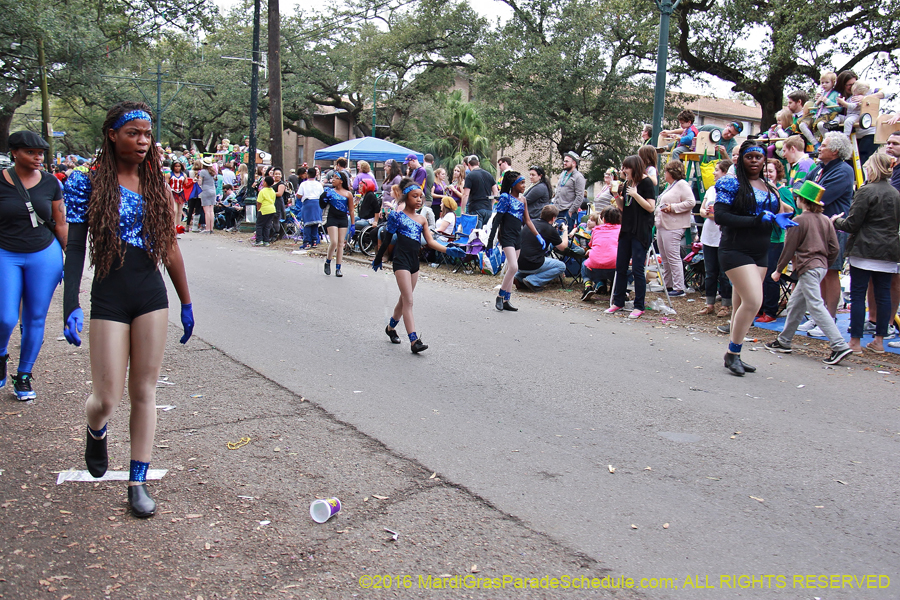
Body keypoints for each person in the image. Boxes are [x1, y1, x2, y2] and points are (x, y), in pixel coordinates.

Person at [62, 101, 193, 518]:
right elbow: (76, 246)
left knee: (144, 391)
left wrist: (186, 302)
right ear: (113, 135)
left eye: (147, 134)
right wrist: (70, 304)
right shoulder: (87, 182)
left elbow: (169, 248)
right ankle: (95, 428)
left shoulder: (156, 185)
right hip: (109, 295)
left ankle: (138, 481)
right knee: (106, 397)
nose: (141, 141)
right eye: (133, 133)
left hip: (150, 295)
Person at [714, 140, 796, 376]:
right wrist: (756, 220)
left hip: (761, 250)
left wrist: (783, 216)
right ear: (741, 159)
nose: (754, 161)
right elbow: (720, 216)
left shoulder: (769, 186)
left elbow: (782, 210)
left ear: (764, 160)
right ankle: (733, 353)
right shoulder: (730, 182)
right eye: (749, 156)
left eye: (758, 157)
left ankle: (735, 353)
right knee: (753, 302)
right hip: (735, 249)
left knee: (742, 303)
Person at [0, 131, 67, 401]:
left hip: (44, 254)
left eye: (41, 153)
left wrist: (69, 257)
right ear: (14, 153)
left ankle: (24, 375)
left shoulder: (51, 182)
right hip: (6, 253)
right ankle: (1, 354)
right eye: (31, 152)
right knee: (5, 317)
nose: (38, 157)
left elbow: (60, 221)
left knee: (35, 319)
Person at [372, 178, 465, 353]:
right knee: (409, 300)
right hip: (400, 261)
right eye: (415, 196)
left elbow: (430, 242)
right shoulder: (397, 216)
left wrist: (448, 249)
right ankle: (414, 341)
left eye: (420, 197)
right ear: (406, 197)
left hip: (414, 263)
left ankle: (391, 328)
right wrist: (379, 257)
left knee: (404, 299)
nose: (419, 200)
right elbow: (386, 240)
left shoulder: (422, 220)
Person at [765, 182, 853, 365]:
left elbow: (789, 248)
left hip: (807, 267)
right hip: (820, 267)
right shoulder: (825, 220)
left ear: (801, 200)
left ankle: (839, 345)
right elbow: (834, 247)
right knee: (796, 304)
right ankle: (784, 340)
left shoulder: (798, 221)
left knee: (815, 305)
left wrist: (778, 270)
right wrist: (825, 263)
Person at [832, 154, 900, 354]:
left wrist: (835, 221)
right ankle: (879, 341)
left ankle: (855, 341)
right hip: (889, 250)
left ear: (873, 168)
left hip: (864, 249)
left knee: (858, 294)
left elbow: (852, 224)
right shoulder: (896, 193)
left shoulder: (866, 190)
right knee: (883, 295)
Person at [806, 132, 855, 336]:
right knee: (818, 273)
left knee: (831, 272)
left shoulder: (844, 171)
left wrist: (806, 190)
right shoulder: (819, 168)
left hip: (834, 228)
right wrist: (805, 189)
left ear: (835, 151)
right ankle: (818, 317)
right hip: (817, 226)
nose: (819, 147)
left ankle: (830, 318)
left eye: (823, 145)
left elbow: (818, 195)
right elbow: (801, 185)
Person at [485, 171, 543, 312]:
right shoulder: (505, 198)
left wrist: (538, 235)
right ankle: (500, 296)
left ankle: (507, 299)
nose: (524, 185)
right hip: (506, 236)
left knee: (512, 270)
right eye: (521, 183)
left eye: (524, 183)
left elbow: (527, 220)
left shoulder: (523, 200)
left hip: (518, 236)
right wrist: (490, 242)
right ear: (513, 185)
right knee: (513, 267)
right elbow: (497, 221)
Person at [607, 155, 656, 319]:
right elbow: (623, 207)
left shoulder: (646, 183)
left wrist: (636, 195)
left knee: (637, 269)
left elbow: (650, 207)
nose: (623, 171)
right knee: (620, 266)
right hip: (626, 229)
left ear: (634, 167)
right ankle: (618, 301)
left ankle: (639, 305)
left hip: (640, 230)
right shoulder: (627, 184)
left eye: (626, 168)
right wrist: (616, 196)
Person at [757, 158, 796, 323]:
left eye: (770, 171)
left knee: (770, 275)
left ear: (777, 173)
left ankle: (770, 311)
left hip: (775, 239)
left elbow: (792, 211)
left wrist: (776, 196)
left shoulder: (783, 190)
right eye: (765, 171)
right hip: (759, 236)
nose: (767, 174)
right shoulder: (757, 189)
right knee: (758, 276)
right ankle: (759, 308)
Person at [697, 159, 733, 317]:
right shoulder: (711, 189)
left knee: (724, 273)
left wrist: (717, 215)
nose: (713, 173)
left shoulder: (731, 190)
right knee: (710, 271)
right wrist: (704, 212)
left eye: (717, 170)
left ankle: (726, 304)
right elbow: (702, 208)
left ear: (725, 172)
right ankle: (709, 303)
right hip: (708, 235)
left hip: (722, 236)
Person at [654, 159, 696, 297]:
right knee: (665, 256)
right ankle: (668, 284)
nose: (664, 174)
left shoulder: (682, 185)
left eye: (665, 171)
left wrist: (672, 208)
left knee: (673, 256)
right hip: (663, 225)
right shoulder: (670, 185)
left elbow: (691, 202)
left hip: (674, 225)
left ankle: (679, 287)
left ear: (672, 172)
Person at [515, 205, 569, 291]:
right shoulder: (549, 229)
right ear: (553, 218)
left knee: (532, 257)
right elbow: (563, 247)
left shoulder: (530, 223)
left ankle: (518, 277)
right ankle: (533, 281)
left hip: (518, 263)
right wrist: (565, 231)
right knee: (561, 266)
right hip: (533, 263)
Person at [581, 206, 620, 300]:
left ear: (603, 218)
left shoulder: (596, 230)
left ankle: (588, 286)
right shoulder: (621, 230)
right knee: (629, 268)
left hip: (594, 269)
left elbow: (592, 244)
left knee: (584, 264)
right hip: (614, 269)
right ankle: (620, 289)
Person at [322, 170, 354, 277]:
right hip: (332, 218)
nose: (333, 180)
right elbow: (322, 204)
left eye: (335, 178)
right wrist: (323, 197)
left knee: (341, 244)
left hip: (343, 219)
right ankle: (328, 261)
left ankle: (338, 267)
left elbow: (351, 210)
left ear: (341, 181)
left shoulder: (348, 194)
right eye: (332, 178)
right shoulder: (330, 191)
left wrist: (353, 224)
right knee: (334, 242)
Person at [459, 155, 498, 229]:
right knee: (485, 234)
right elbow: (495, 192)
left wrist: (462, 210)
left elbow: (465, 195)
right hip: (488, 209)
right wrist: (491, 205)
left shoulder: (470, 176)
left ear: (469, 164)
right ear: (478, 163)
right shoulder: (489, 175)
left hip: (476, 209)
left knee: (476, 234)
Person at [551, 152, 586, 230]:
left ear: (574, 163)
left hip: (567, 211)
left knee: (564, 237)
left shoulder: (578, 177)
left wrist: (571, 211)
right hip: (557, 210)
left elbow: (580, 196)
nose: (564, 163)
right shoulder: (563, 174)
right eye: (564, 161)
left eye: (567, 161)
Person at [298, 166, 324, 249]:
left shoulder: (304, 184)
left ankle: (307, 242)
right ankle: (314, 241)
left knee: (307, 224)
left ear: (307, 174)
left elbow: (299, 195)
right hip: (317, 203)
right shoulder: (319, 184)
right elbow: (322, 195)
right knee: (315, 223)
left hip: (308, 203)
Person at [254, 176, 276, 247]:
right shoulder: (272, 190)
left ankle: (259, 240)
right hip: (272, 209)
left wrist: (258, 209)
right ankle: (266, 240)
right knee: (267, 225)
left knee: (259, 225)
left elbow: (259, 202)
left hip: (264, 209)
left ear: (265, 183)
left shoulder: (262, 191)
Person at [197, 157, 217, 234]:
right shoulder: (213, 172)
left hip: (205, 190)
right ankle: (211, 228)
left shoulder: (202, 172)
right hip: (213, 190)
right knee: (211, 210)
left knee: (206, 211)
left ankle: (207, 228)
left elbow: (200, 183)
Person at [167, 160, 187, 229]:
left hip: (181, 194)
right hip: (172, 193)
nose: (177, 168)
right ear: (173, 167)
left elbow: (186, 185)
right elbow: (166, 185)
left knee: (179, 212)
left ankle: (178, 228)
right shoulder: (169, 174)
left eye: (179, 166)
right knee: (174, 211)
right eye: (176, 166)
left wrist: (193, 182)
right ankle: (172, 227)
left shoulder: (184, 175)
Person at [270, 168, 288, 240]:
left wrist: (269, 193)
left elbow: (279, 194)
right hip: (271, 201)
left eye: (279, 174)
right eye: (276, 174)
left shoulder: (281, 184)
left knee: (276, 217)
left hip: (278, 202)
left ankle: (277, 233)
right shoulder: (271, 183)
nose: (277, 175)